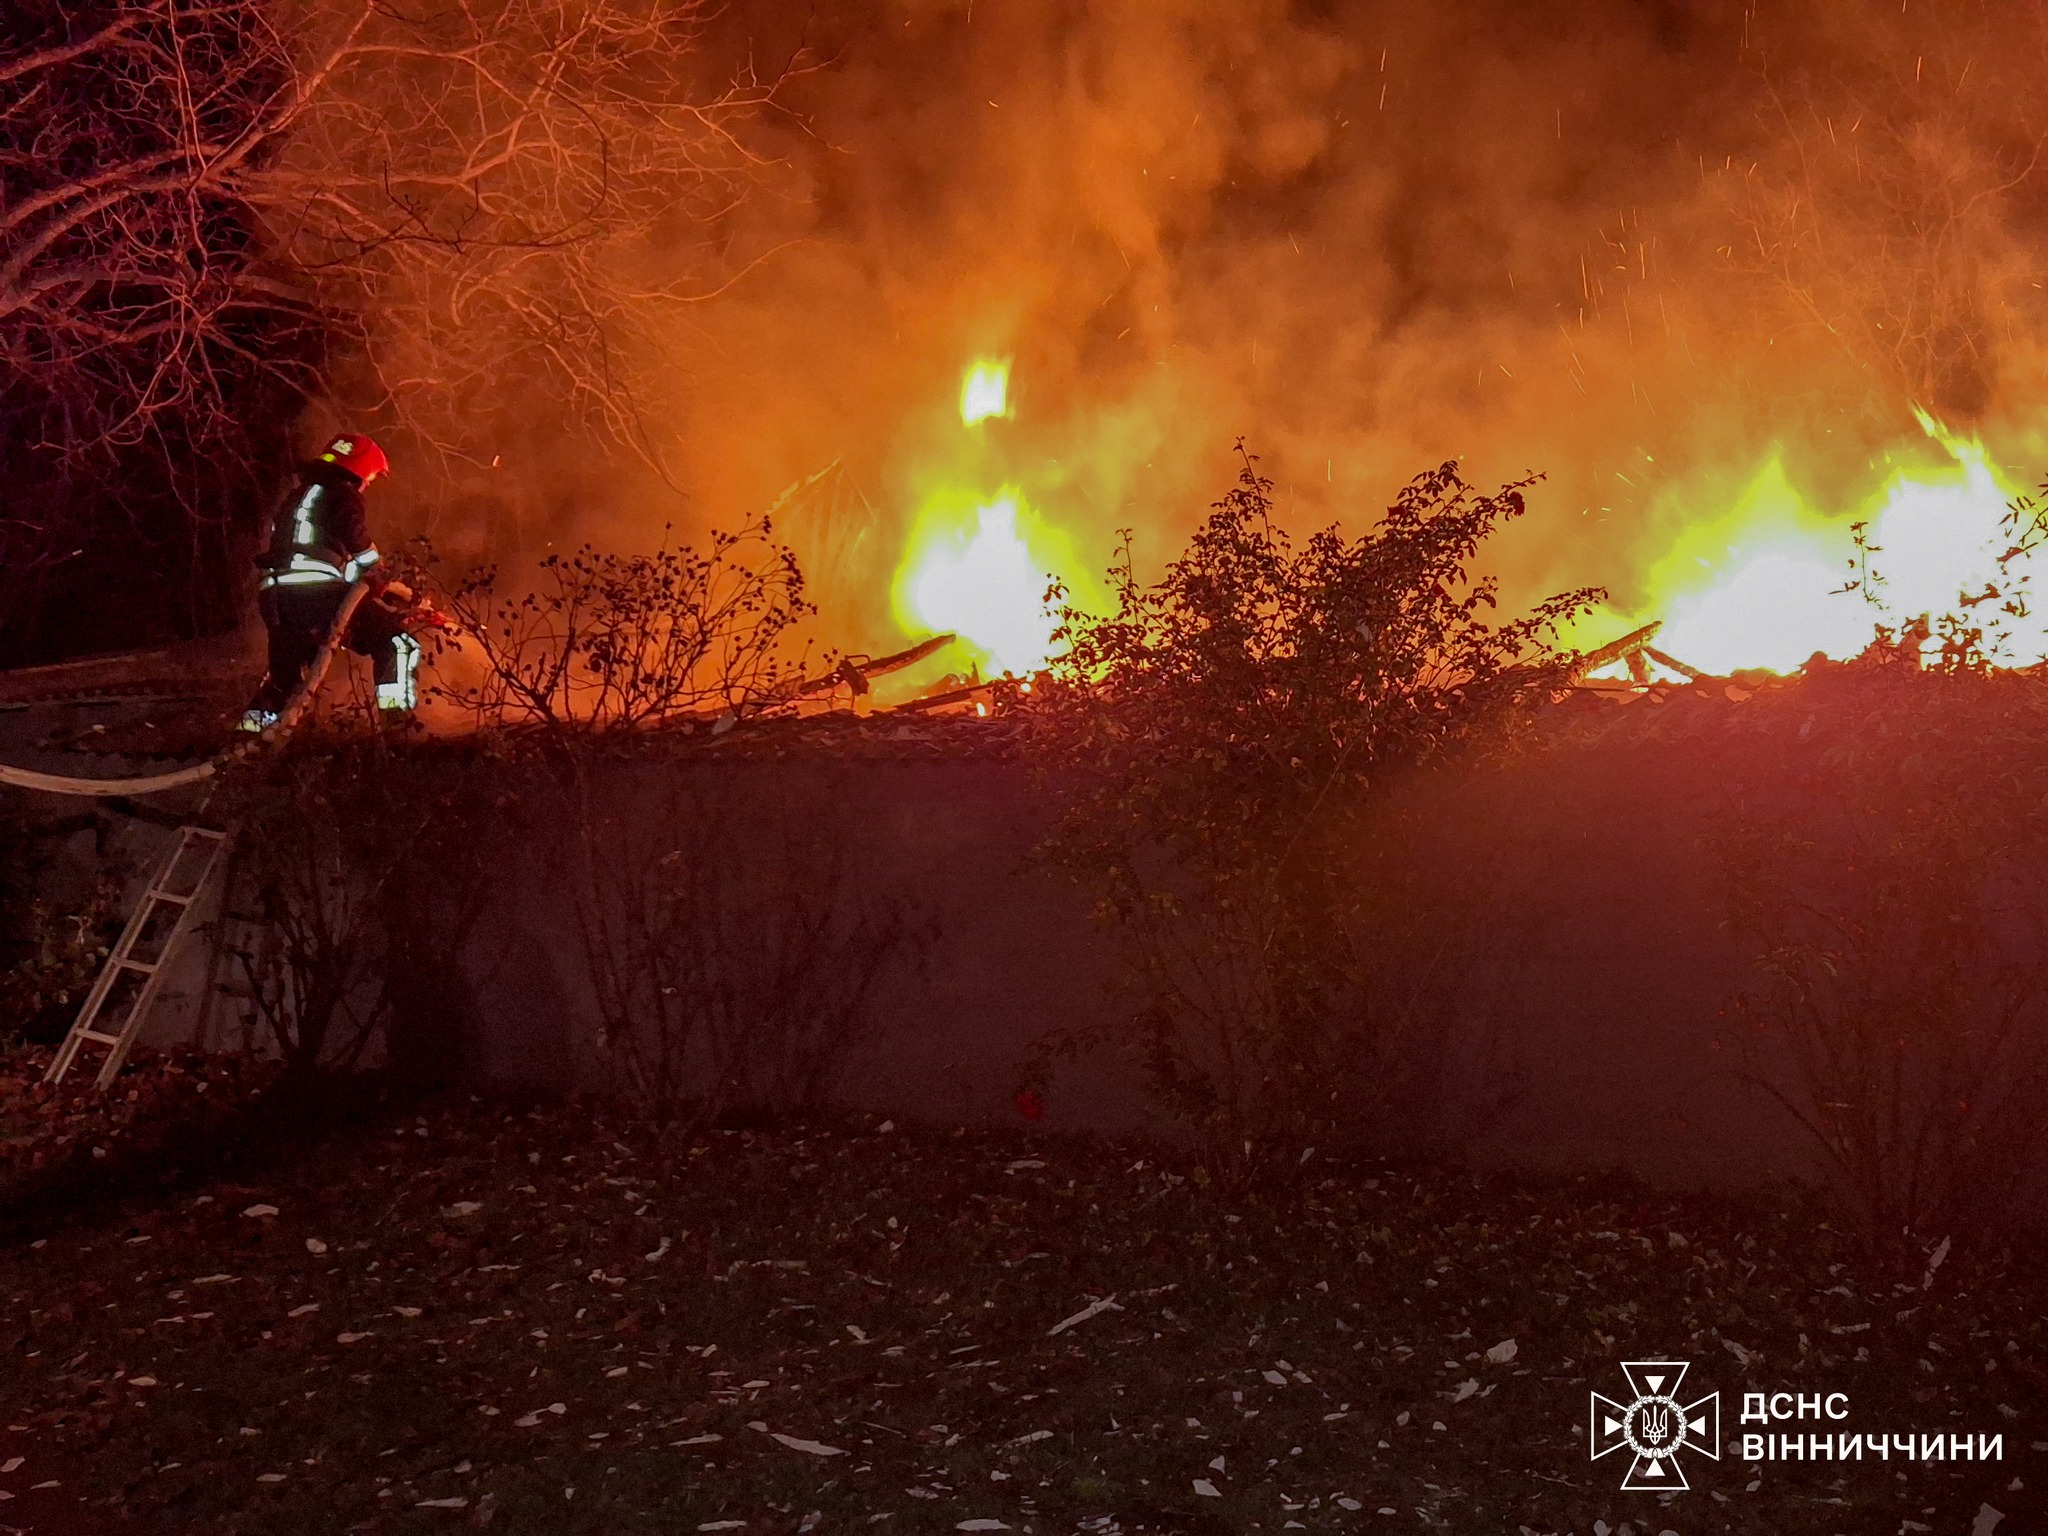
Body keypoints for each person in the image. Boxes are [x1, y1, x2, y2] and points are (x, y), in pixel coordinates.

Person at [239, 433, 419, 732]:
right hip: (314, 594)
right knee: (397, 642)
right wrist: (379, 572)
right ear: (361, 469)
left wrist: (376, 593)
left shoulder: (302, 495)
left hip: (276, 596)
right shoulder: (342, 493)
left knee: (286, 675)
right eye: (371, 477)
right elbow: (355, 539)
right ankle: (397, 726)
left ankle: (250, 738)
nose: (369, 484)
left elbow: (317, 555)